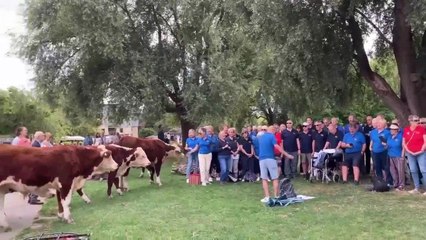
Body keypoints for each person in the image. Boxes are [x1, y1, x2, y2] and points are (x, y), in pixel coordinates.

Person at [258, 126, 294, 203]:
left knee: (264, 178)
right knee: (275, 178)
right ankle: (276, 196)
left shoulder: (260, 137)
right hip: (270, 158)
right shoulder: (272, 136)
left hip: (261, 159)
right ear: (273, 130)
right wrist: (287, 155)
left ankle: (267, 197)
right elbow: (276, 146)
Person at [403, 115, 426, 194]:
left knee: (423, 170)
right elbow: (404, 142)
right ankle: (416, 188)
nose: (418, 122)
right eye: (415, 120)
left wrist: (421, 150)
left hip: (421, 153)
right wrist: (409, 150)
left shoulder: (422, 129)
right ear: (410, 121)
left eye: (418, 120)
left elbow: (425, 141)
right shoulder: (406, 130)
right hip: (410, 153)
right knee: (413, 170)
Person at [370, 117, 391, 183]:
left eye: (380, 124)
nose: (378, 125)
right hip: (375, 151)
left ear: (384, 125)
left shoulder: (387, 132)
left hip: (384, 151)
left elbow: (389, 142)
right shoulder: (373, 132)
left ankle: (388, 181)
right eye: (377, 123)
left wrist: (385, 144)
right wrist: (370, 146)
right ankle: (380, 180)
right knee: (377, 166)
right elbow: (372, 140)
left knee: (385, 166)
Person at [386, 123, 405, 191]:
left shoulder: (400, 136)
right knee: (393, 171)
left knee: (400, 171)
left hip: (398, 155)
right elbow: (388, 145)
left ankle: (401, 184)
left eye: (392, 129)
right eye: (390, 129)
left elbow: (403, 146)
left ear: (396, 130)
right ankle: (395, 183)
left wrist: (402, 156)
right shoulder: (389, 136)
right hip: (390, 155)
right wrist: (385, 145)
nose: (391, 130)